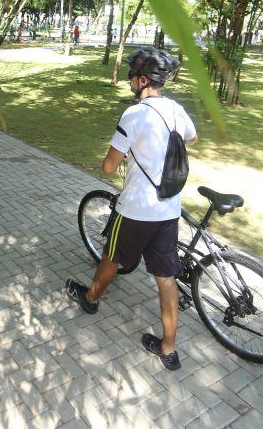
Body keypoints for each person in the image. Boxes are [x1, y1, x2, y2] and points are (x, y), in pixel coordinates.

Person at [64, 47, 197, 372]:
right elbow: (190, 139)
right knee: (165, 277)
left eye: (130, 78)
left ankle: (91, 298)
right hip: (168, 210)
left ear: (141, 80)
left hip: (136, 209)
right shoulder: (176, 110)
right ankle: (168, 349)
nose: (128, 84)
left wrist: (124, 154)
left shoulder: (134, 114)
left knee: (113, 256)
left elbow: (109, 167)